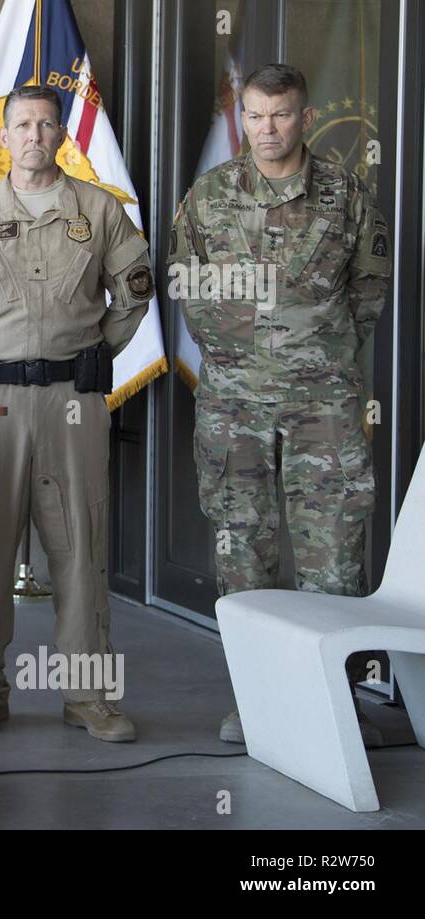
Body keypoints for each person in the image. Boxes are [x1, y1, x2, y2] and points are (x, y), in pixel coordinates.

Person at [0, 84, 153, 742]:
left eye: (45, 124)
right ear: (5, 137)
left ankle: (87, 698)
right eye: (21, 124)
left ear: (60, 136)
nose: (32, 135)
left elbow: (133, 292)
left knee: (80, 546)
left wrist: (87, 353)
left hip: (71, 401)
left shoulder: (99, 212)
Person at [168, 64, 391, 746]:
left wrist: (317, 353)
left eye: (282, 115)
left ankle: (334, 710)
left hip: (323, 406)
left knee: (334, 562)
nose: (268, 129)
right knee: (244, 558)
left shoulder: (346, 194)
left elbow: (370, 287)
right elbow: (187, 283)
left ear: (306, 116)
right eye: (256, 115)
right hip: (234, 407)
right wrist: (238, 355)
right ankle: (259, 702)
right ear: (243, 116)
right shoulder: (208, 196)